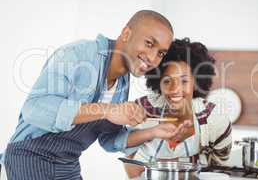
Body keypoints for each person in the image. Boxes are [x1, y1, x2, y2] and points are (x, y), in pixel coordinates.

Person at [1, 10, 189, 179]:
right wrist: (106, 110)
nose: (152, 57)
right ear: (126, 33)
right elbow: (34, 109)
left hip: (67, 165)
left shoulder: (122, 82)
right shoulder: (76, 55)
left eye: (161, 53)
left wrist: (153, 132)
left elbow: (109, 140)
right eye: (149, 43)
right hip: (29, 158)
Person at [123, 38, 233, 179]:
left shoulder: (215, 120)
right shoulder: (143, 110)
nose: (175, 89)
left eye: (184, 81)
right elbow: (131, 167)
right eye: (167, 80)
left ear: (195, 82)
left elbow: (218, 172)